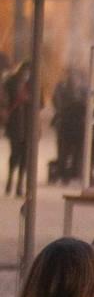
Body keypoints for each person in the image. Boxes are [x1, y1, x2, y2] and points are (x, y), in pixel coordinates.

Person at [51, 67, 87, 185]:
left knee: (71, 152)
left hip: (74, 125)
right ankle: (65, 174)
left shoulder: (82, 90)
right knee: (65, 152)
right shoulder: (62, 88)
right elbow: (56, 103)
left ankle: (71, 174)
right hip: (68, 125)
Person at [4, 61, 31, 196]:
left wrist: (29, 99)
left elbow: (41, 103)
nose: (27, 74)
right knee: (15, 153)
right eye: (26, 70)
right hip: (15, 124)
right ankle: (10, 178)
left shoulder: (34, 84)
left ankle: (20, 183)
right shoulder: (11, 82)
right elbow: (4, 101)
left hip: (29, 125)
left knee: (25, 155)